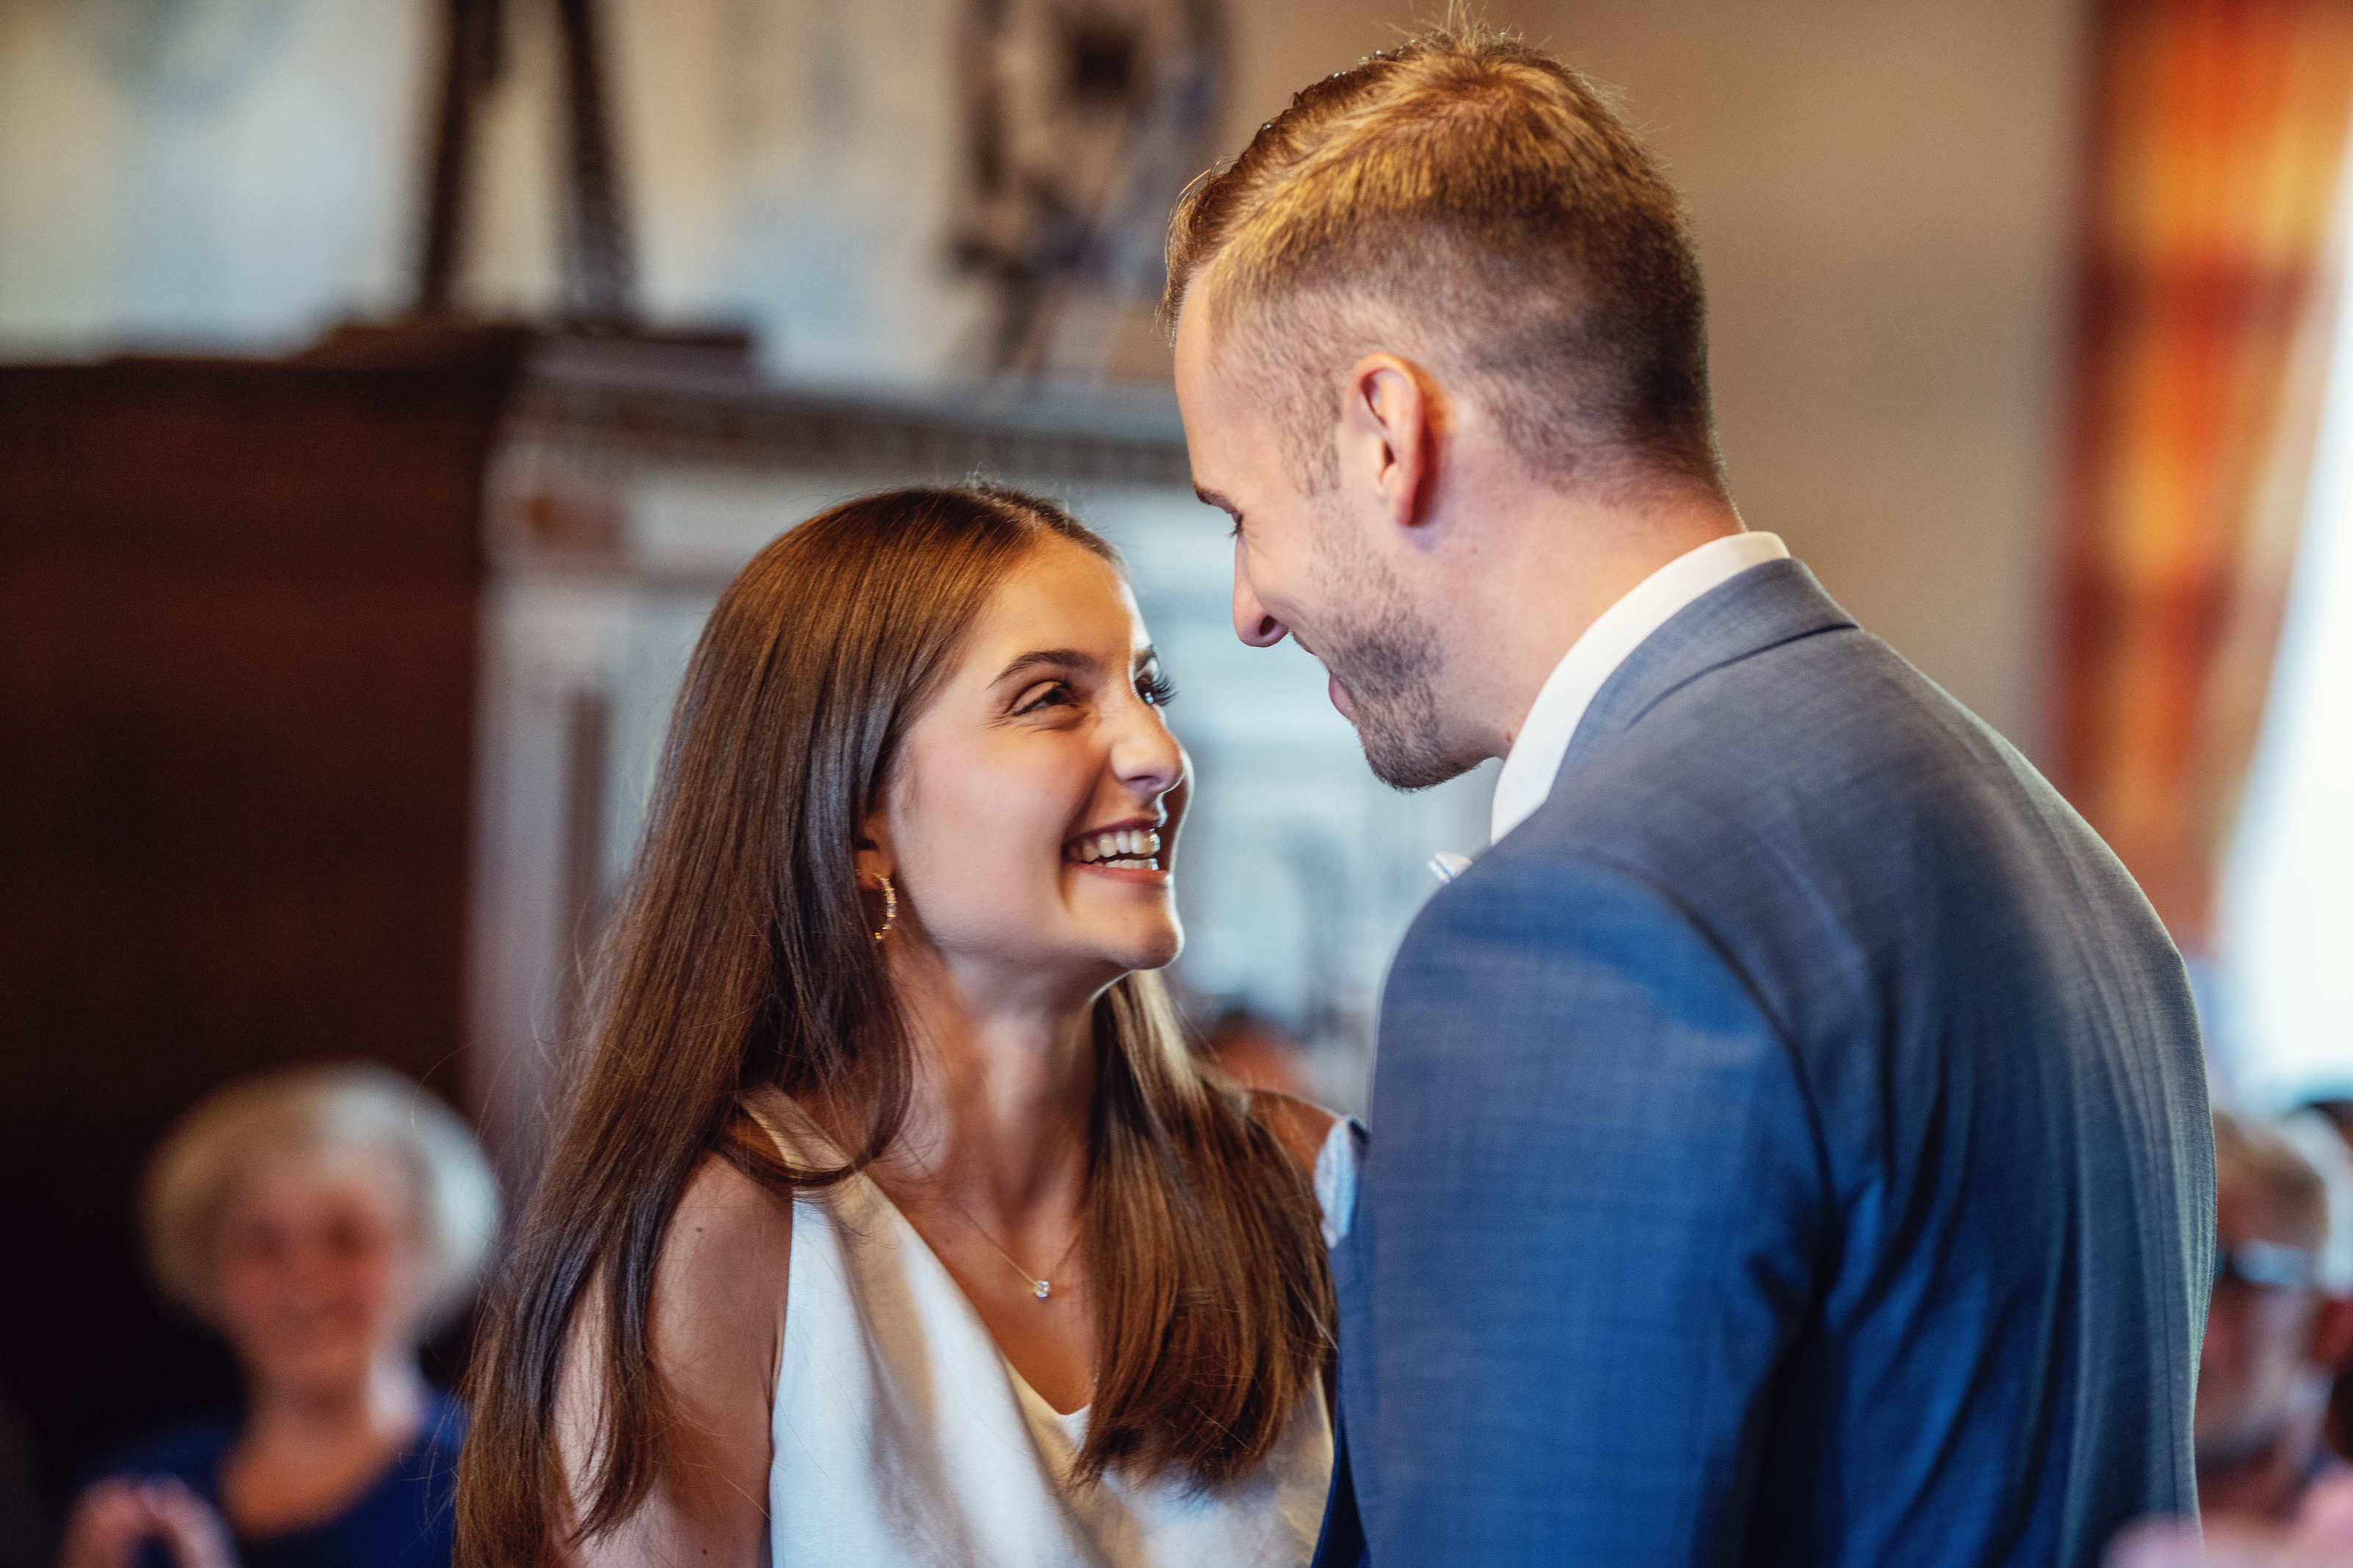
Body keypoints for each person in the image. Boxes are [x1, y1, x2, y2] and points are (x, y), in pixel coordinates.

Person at [1164, 22, 2214, 1567]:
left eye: (1240, 511)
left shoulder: (1575, 931)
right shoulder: (2063, 855)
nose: (1247, 604)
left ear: (1386, 433)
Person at [457, 485, 1353, 1567]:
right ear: (858, 817)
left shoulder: (1297, 1177)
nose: (1160, 752)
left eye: (1145, 687)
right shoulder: (722, 1242)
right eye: (1052, 700)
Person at [58, 1064, 499, 1568]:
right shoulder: (131, 1492)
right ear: (209, 1269)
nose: (305, 1278)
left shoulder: (495, 1491)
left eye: (347, 1238)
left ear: (428, 1256)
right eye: (263, 1244)